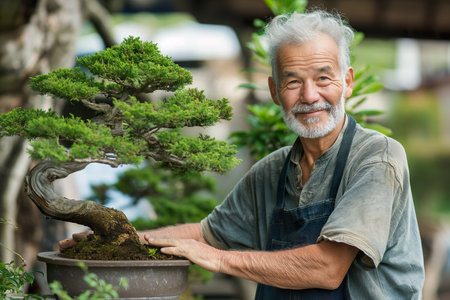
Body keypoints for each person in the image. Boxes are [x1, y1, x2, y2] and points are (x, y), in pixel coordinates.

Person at [60, 10, 425, 299]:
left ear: (348, 81)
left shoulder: (376, 158)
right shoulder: (273, 171)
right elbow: (207, 235)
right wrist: (117, 243)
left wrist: (218, 261)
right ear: (274, 89)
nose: (310, 95)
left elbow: (327, 270)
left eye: (323, 78)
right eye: (293, 81)